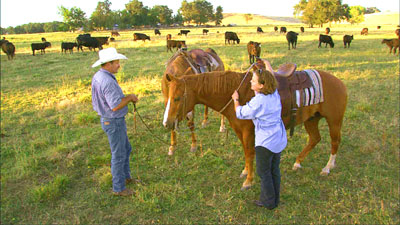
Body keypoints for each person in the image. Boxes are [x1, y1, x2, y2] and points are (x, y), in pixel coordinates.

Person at [231, 65, 287, 209]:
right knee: (274, 169)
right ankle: (275, 198)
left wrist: (235, 100)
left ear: (262, 85)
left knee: (263, 171)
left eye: (254, 81)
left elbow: (240, 113)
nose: (250, 82)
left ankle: (269, 202)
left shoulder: (258, 102)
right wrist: (266, 64)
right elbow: (271, 77)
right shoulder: (274, 93)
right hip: (278, 138)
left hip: (266, 143)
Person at [91, 47, 139, 197]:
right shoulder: (107, 81)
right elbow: (115, 105)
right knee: (118, 155)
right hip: (114, 121)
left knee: (126, 149)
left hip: (109, 120)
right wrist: (130, 97)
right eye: (116, 62)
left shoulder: (99, 76)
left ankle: (126, 177)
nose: (119, 65)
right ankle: (119, 188)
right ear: (108, 64)